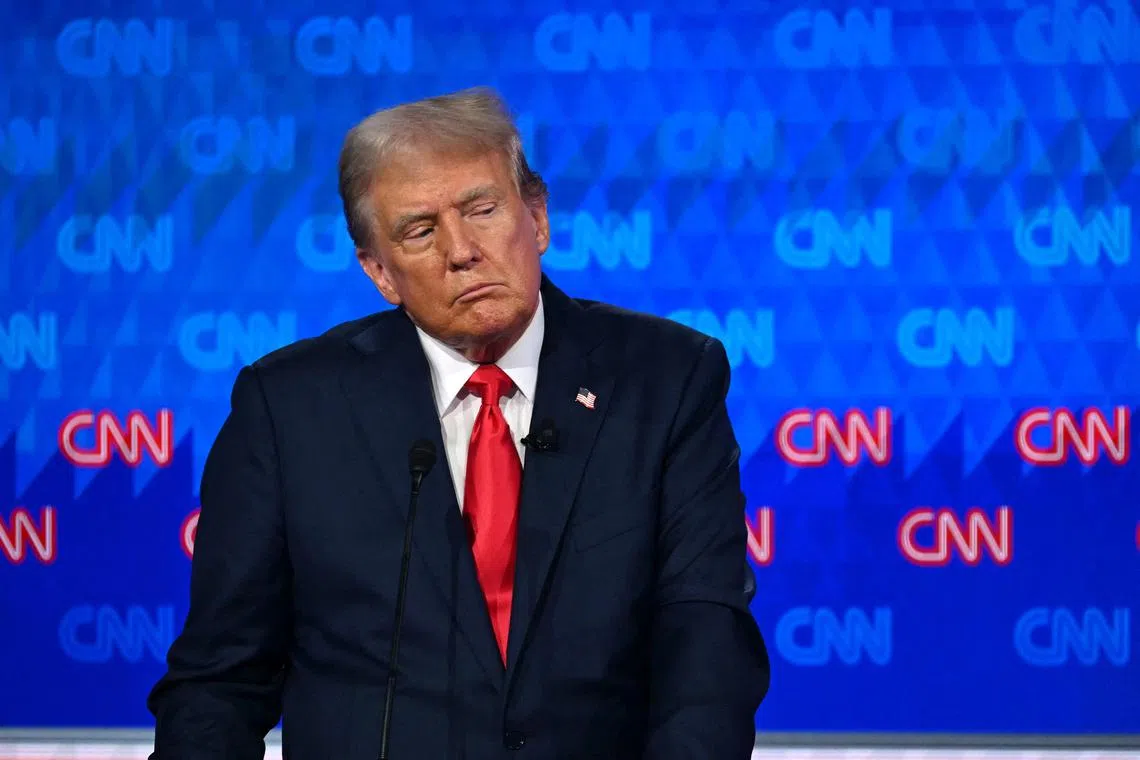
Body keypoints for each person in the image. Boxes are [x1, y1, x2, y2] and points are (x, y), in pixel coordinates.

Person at [148, 86, 769, 759]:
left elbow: (704, 645)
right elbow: (220, 681)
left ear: (537, 217)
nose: (461, 250)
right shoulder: (290, 407)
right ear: (380, 272)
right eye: (420, 231)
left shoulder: (665, 379)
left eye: (482, 209)